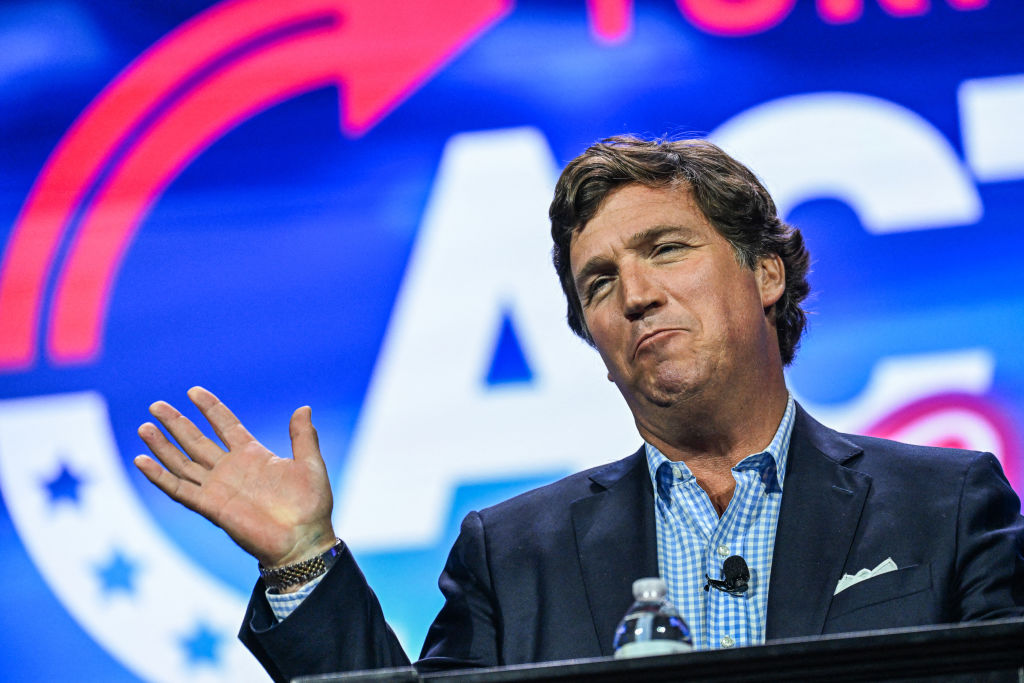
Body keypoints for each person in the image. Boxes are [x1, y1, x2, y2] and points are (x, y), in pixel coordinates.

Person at [135, 137, 1024, 681]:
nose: (634, 294)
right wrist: (302, 561)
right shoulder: (515, 553)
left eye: (667, 249)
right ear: (592, 338)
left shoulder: (945, 504)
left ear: (765, 271)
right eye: (600, 282)